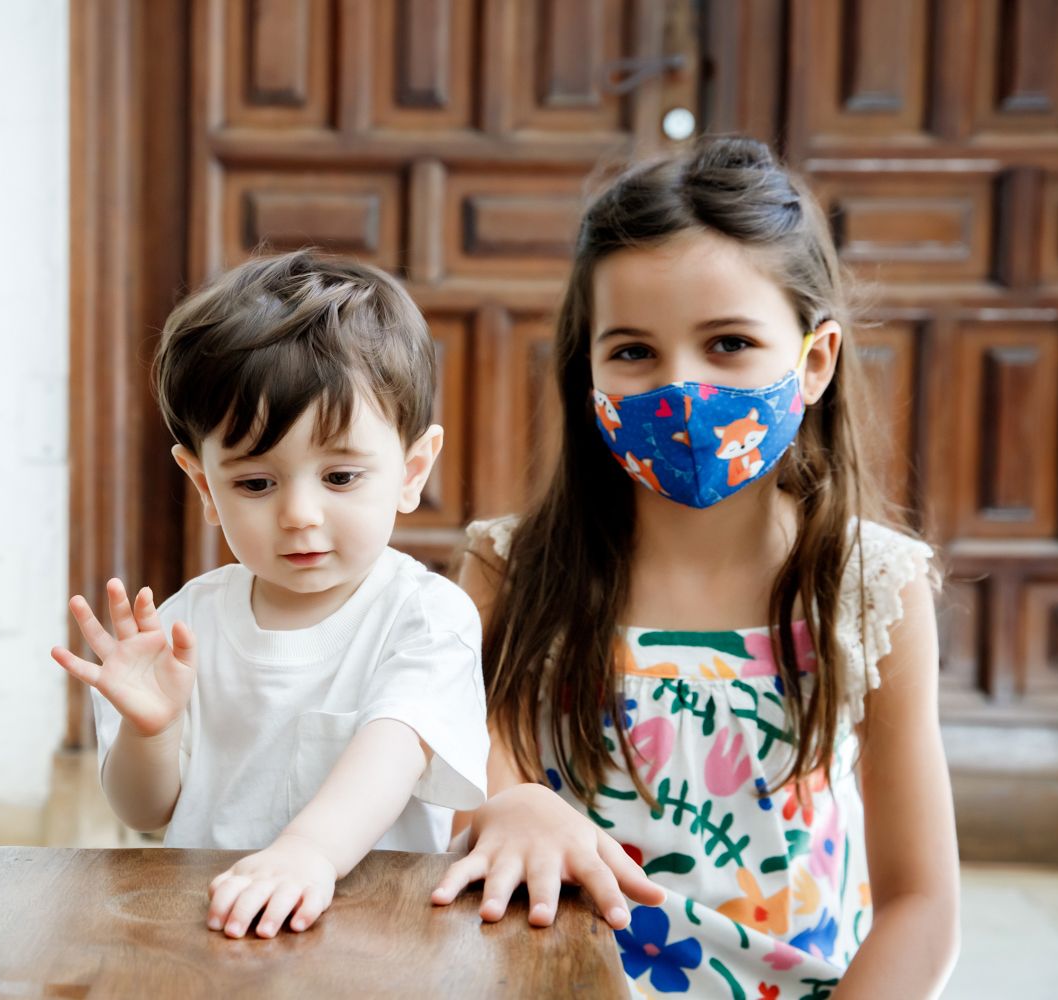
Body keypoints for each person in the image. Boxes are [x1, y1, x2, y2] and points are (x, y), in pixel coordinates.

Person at [431, 136, 959, 997]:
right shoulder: (511, 570)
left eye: (729, 344)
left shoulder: (873, 588)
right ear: (589, 368)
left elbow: (922, 902)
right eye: (634, 352)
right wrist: (502, 803)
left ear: (814, 360)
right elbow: (454, 776)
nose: (680, 391)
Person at [52, 250, 488, 940]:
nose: (300, 515)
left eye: (341, 477)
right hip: (215, 922)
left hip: (380, 935)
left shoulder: (426, 616)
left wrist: (306, 853)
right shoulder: (186, 625)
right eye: (257, 484)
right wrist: (151, 731)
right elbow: (145, 809)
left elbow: (394, 748)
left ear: (412, 470)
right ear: (205, 487)